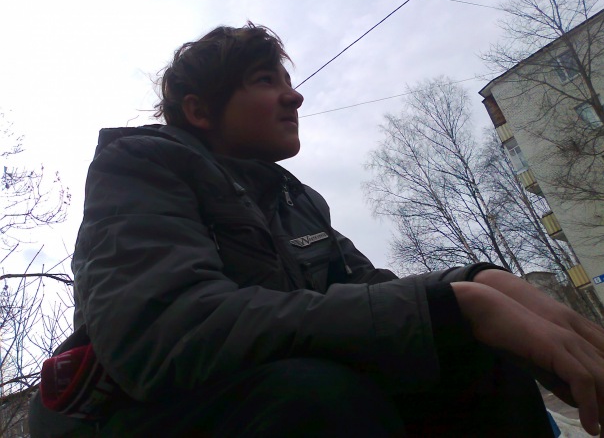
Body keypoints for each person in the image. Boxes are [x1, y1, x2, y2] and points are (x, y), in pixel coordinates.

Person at [29, 23, 604, 438]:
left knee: (477, 359)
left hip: (273, 395)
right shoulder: (138, 167)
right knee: (316, 396)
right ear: (200, 111)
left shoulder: (296, 198)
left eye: (288, 78)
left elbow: (374, 294)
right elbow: (164, 334)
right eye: (265, 80)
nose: (295, 94)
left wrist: (479, 282)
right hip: (134, 416)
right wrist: (455, 306)